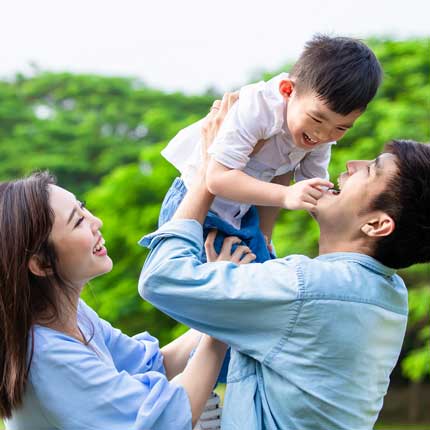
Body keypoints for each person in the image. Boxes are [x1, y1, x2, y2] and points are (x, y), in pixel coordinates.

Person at [139, 93, 430, 429]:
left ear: (377, 224)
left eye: (371, 170)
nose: (352, 165)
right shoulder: (387, 294)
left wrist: (208, 171)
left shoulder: (311, 289)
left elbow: (161, 279)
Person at [0, 172, 254, 430]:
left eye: (83, 208)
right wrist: (223, 309)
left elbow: (153, 363)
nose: (96, 221)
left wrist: (215, 292)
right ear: (42, 263)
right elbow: (165, 419)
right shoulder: (47, 358)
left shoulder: (73, 317)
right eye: (78, 222)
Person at [160, 34, 382, 263]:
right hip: (197, 209)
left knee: (263, 267)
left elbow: (313, 189)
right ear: (287, 91)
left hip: (243, 214)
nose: (323, 135)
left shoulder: (317, 133)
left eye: (341, 128)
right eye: (317, 119)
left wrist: (358, 213)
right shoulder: (258, 107)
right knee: (206, 280)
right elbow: (216, 178)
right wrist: (287, 195)